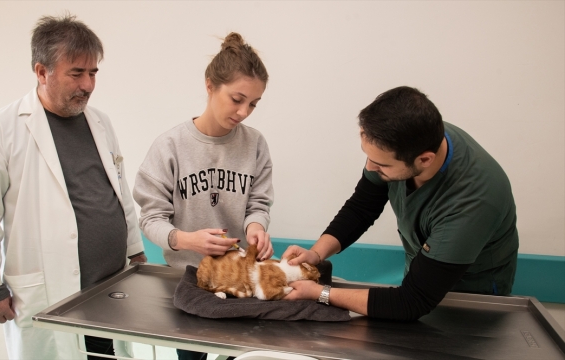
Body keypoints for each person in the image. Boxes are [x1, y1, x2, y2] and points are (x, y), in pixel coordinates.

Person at [0, 14, 146, 359]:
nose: (88, 85)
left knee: (107, 355)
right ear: (41, 71)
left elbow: (119, 193)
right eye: (76, 73)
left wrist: (134, 248)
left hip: (109, 286)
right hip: (54, 289)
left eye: (93, 73)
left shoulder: (101, 122)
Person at [283, 86, 519, 321]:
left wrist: (320, 293)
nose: (371, 168)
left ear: (424, 160)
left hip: (469, 303)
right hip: (418, 283)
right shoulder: (412, 139)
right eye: (369, 158)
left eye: (382, 165)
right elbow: (362, 206)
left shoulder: (472, 202)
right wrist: (316, 253)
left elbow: (412, 302)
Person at [133, 32, 274, 360]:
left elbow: (258, 203)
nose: (244, 112)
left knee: (238, 354)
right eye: (237, 99)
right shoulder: (169, 147)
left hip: (240, 276)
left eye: (253, 103)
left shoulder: (255, 144)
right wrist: (185, 240)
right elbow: (151, 219)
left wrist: (256, 228)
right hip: (189, 279)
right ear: (210, 85)